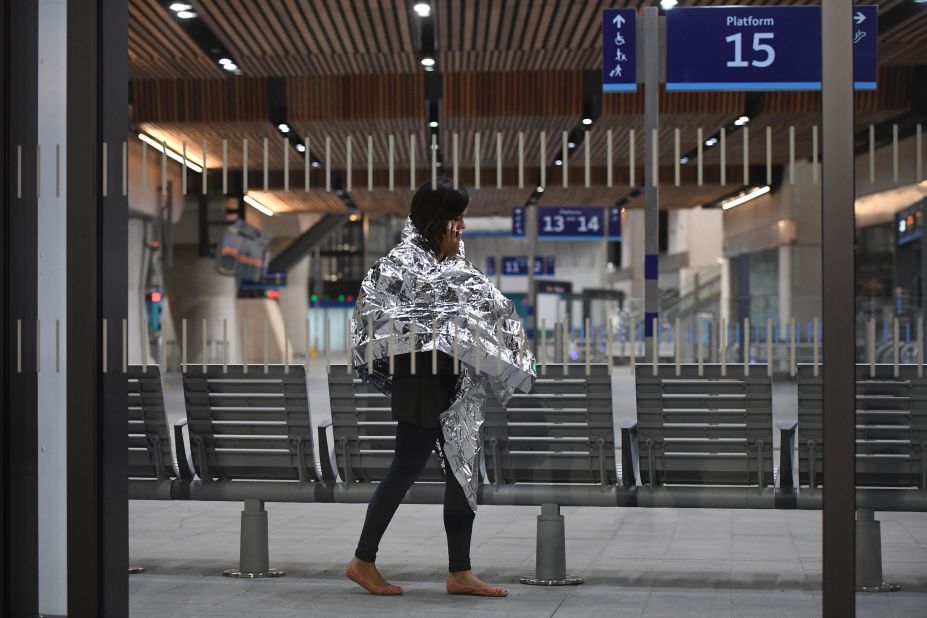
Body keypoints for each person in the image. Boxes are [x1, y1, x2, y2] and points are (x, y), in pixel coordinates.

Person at [345, 179, 509, 597]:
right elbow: (377, 322)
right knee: (405, 468)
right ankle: (363, 560)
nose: (463, 227)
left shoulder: (449, 263)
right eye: (457, 219)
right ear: (438, 221)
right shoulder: (399, 264)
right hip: (421, 382)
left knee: (462, 474)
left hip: (454, 382)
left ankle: (460, 571)